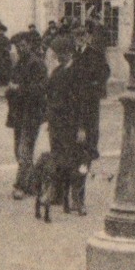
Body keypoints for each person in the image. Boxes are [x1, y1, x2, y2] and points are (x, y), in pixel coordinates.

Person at [45, 36, 93, 214]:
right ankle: (60, 196)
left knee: (78, 163)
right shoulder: (57, 72)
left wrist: (81, 127)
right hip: (57, 125)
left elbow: (83, 102)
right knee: (59, 160)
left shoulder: (79, 72)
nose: (58, 56)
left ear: (68, 52)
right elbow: (49, 96)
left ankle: (78, 199)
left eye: (60, 53)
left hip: (73, 125)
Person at [7, 32, 48, 200]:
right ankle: (32, 184)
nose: (19, 49)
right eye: (17, 46)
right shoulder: (19, 63)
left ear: (30, 45)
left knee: (24, 150)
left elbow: (40, 89)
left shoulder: (37, 64)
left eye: (22, 45)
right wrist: (10, 90)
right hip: (18, 113)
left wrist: (18, 89)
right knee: (20, 151)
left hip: (32, 114)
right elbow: (13, 84)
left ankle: (21, 186)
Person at [69, 23, 111, 155]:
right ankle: (79, 147)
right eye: (77, 36)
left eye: (82, 35)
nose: (80, 38)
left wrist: (96, 83)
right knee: (77, 119)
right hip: (76, 93)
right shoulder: (73, 54)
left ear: (87, 37)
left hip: (91, 93)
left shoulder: (94, 53)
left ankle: (92, 148)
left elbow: (105, 71)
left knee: (91, 120)